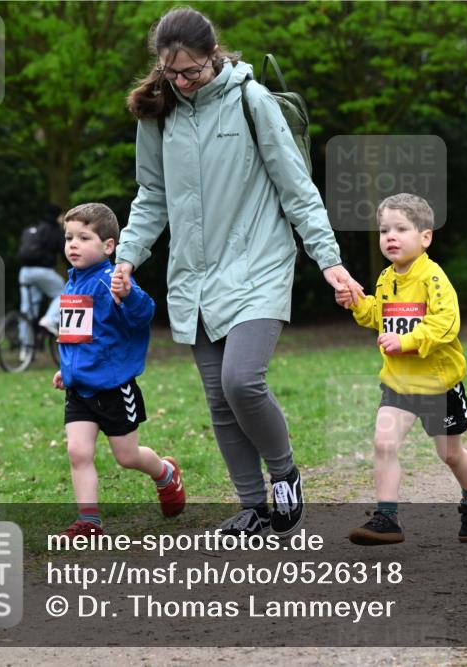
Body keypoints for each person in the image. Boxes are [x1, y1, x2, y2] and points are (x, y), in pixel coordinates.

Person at [117, 7, 364, 538]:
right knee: (219, 399)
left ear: (213, 56)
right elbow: (151, 196)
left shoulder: (251, 101)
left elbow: (297, 188)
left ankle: (285, 477)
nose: (182, 82)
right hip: (195, 276)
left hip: (258, 264)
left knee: (241, 381)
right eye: (171, 73)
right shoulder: (160, 114)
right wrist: (127, 255)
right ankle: (253, 507)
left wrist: (330, 260)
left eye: (192, 71)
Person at [336, 193, 467, 546]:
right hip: (400, 384)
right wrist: (358, 303)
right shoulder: (386, 278)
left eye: (401, 229)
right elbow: (380, 316)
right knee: (384, 443)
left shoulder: (433, 278)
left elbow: (445, 323)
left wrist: (406, 341)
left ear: (425, 237)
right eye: (384, 229)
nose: (390, 236)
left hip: (438, 383)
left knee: (450, 454)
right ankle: (387, 518)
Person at [51, 203, 185, 538]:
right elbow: (76, 336)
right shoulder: (72, 284)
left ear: (108, 246)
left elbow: (144, 314)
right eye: (69, 237)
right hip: (79, 389)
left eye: (84, 237)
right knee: (78, 451)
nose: (73, 244)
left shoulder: (113, 281)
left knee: (127, 457)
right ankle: (89, 521)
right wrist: (65, 369)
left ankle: (166, 473)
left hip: (114, 389)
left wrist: (128, 295)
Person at [17, 203, 66, 346]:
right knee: (64, 293)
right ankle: (50, 319)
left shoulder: (33, 228)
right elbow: (64, 254)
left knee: (27, 310)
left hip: (25, 272)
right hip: (43, 271)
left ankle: (25, 347)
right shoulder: (54, 231)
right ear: (57, 216)